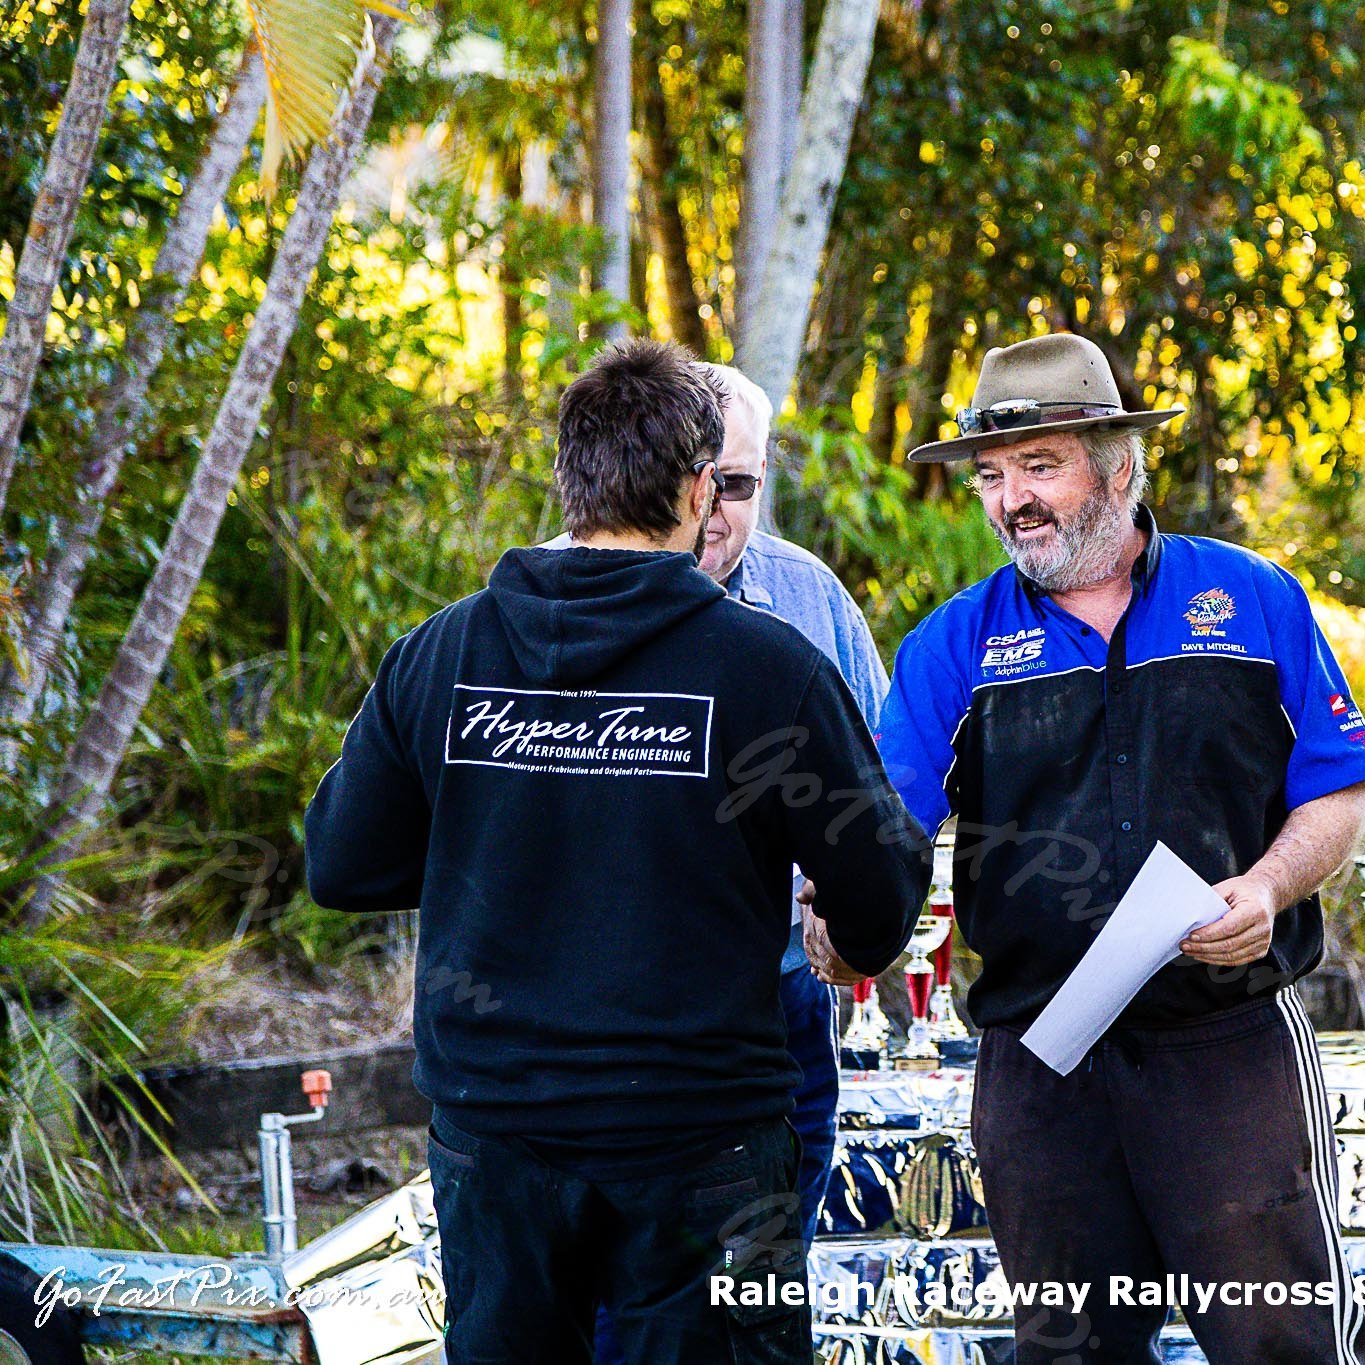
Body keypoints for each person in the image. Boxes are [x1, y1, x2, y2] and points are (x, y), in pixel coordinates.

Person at [305, 339, 929, 1363]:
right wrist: (842, 938)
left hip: (497, 1138)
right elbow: (881, 882)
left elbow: (341, 863)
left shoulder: (444, 653)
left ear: (570, 480)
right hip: (706, 1148)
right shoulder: (766, 671)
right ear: (694, 490)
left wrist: (503, 826)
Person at [861, 333, 1365, 1364]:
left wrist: (1270, 887)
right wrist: (831, 919)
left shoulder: (1248, 598)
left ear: (1119, 466)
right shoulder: (947, 647)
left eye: (1039, 466)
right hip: (1040, 1067)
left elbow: (1337, 790)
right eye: (989, 475)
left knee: (1280, 1345)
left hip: (1224, 1052)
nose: (1012, 499)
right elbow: (882, 834)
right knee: (1067, 1353)